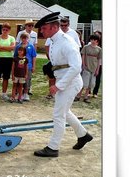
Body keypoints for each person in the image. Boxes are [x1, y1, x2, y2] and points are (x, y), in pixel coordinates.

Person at [33, 12, 93, 157]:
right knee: (65, 112)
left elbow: (76, 67)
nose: (41, 31)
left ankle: (53, 148)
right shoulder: (54, 40)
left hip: (70, 83)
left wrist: (59, 86)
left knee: (58, 114)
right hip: (64, 81)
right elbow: (63, 62)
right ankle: (83, 135)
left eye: (44, 28)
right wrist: (51, 66)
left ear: (53, 27)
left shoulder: (67, 42)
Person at [75, 34, 102, 103]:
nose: (93, 41)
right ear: (90, 40)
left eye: (95, 40)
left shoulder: (99, 49)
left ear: (97, 41)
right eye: (92, 39)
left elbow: (99, 60)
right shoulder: (86, 47)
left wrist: (97, 70)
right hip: (86, 68)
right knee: (84, 83)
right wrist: (83, 65)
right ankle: (78, 96)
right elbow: (83, 56)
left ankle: (86, 97)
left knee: (91, 84)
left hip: (94, 69)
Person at [0, 22, 15, 101]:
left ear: (9, 30)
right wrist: (7, 48)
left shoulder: (11, 38)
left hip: (8, 59)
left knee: (6, 77)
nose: (5, 31)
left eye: (6, 30)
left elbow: (12, 48)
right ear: (2, 30)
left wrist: (2, 47)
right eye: (3, 29)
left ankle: (4, 93)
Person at [13, 33, 37, 101]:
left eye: (25, 38)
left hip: (28, 66)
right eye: (23, 38)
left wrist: (33, 66)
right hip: (19, 67)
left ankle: (26, 93)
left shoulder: (31, 46)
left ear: (28, 38)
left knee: (27, 80)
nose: (24, 39)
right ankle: (18, 93)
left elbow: (34, 56)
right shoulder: (18, 46)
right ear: (21, 38)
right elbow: (15, 56)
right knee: (18, 79)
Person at [92, 30, 102, 98]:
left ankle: (95, 92)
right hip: (91, 63)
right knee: (90, 77)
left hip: (100, 63)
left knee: (98, 78)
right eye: (95, 34)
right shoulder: (91, 43)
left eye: (98, 35)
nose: (97, 36)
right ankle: (88, 91)